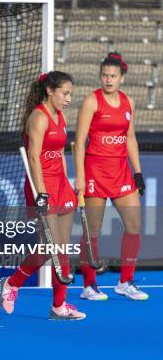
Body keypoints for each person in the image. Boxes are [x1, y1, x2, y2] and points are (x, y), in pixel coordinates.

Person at [0, 71, 86, 321]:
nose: (68, 99)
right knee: (50, 246)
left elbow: (59, 153)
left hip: (60, 184)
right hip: (41, 186)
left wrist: (67, 185)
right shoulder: (39, 117)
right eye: (65, 93)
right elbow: (34, 157)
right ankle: (12, 284)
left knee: (62, 248)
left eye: (70, 94)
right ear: (50, 90)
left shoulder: (60, 117)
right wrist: (42, 193)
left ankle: (59, 306)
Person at [74, 52, 149, 301]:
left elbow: (129, 138)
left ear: (122, 79)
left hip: (121, 172)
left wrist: (137, 173)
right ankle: (89, 285)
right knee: (92, 232)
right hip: (96, 172)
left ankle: (126, 281)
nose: (108, 80)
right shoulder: (91, 102)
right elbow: (80, 142)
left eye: (113, 76)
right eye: (105, 75)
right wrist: (81, 177)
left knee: (134, 226)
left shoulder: (129, 103)